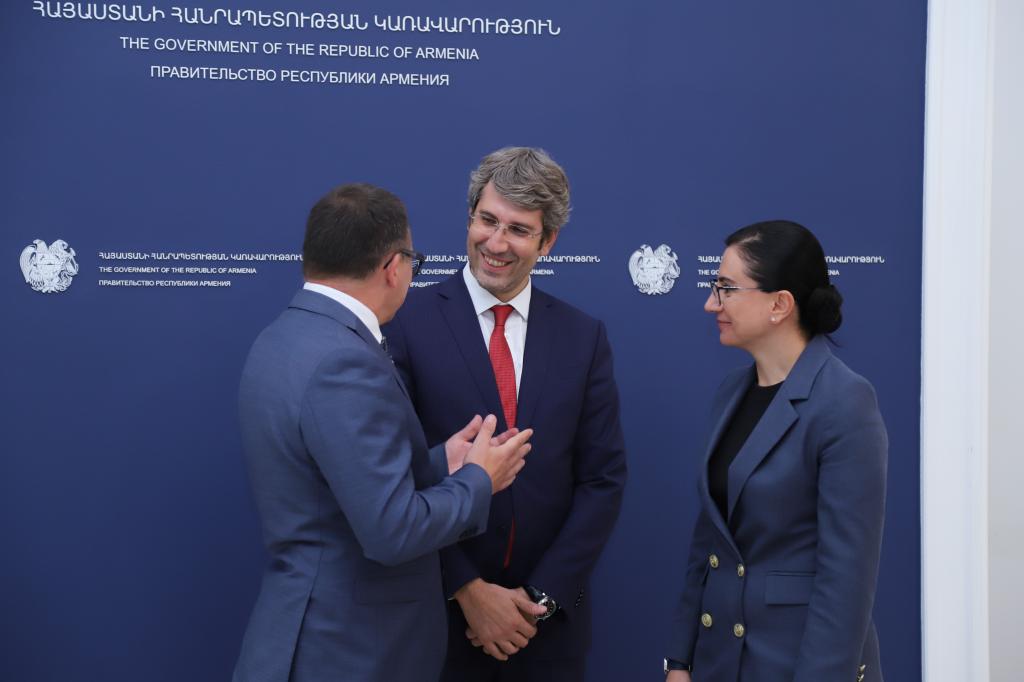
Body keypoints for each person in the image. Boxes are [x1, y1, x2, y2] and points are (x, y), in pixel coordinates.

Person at [232, 183, 536, 682]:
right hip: (348, 651)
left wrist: (440, 463)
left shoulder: (284, 337)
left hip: (311, 636)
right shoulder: (345, 360)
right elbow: (393, 532)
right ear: (394, 267)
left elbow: (332, 484)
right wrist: (479, 479)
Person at [384, 147, 628, 682]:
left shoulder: (583, 337)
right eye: (487, 220)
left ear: (548, 241)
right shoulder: (405, 322)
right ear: (470, 217)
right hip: (435, 626)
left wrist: (539, 599)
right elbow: (391, 476)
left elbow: (602, 480)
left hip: (545, 634)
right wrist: (467, 590)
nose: (496, 243)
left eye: (518, 229)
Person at [664, 220, 887, 682]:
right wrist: (680, 661)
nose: (711, 303)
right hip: (719, 662)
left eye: (726, 289)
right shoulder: (732, 391)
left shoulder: (844, 401)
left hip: (796, 663)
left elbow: (846, 579)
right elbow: (709, 543)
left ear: (779, 304)